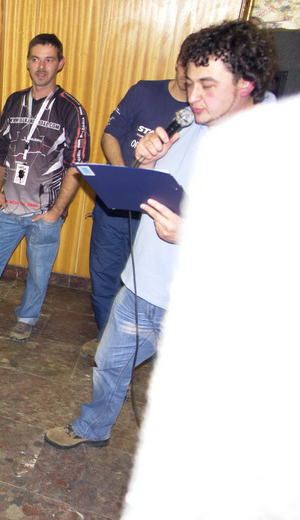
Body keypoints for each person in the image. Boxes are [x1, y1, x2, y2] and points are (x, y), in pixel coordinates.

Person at [44, 19, 277, 450]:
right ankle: (93, 427)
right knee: (109, 365)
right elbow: (153, 193)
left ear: (246, 83)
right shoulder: (190, 123)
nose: (192, 96)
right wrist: (147, 160)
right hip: (144, 285)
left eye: (207, 85)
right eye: (190, 82)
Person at [0, 33, 90, 341]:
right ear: (27, 62)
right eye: (35, 59)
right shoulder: (14, 101)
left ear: (60, 64)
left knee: (38, 273)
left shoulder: (71, 109)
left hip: (44, 212)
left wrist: (56, 212)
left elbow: (76, 166)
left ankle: (27, 317)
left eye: (49, 60)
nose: (41, 67)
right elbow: (0, 149)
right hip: (7, 206)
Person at [81, 37, 192, 358]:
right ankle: (106, 338)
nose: (190, 80)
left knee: (140, 281)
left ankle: (137, 345)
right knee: (104, 275)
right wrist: (125, 178)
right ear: (178, 62)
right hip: (116, 206)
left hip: (158, 214)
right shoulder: (144, 91)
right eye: (186, 69)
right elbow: (110, 135)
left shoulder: (199, 115)